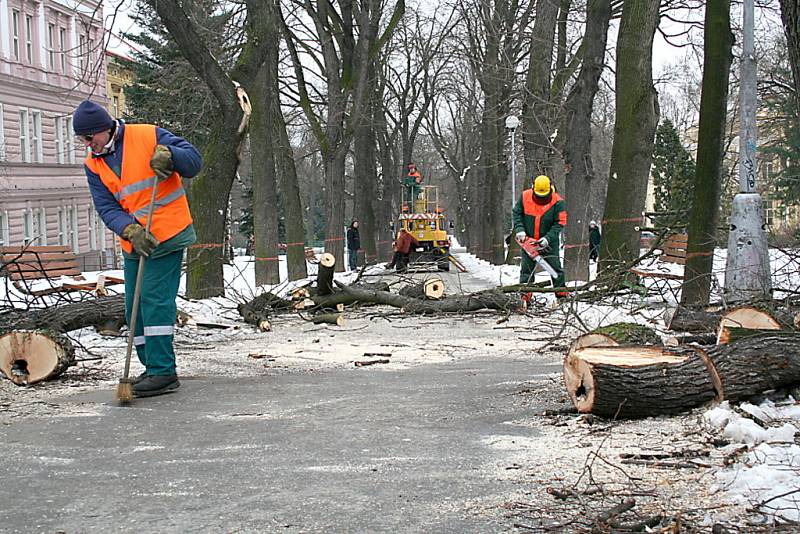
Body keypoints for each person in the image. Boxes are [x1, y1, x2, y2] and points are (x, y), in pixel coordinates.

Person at [73, 100, 202, 398]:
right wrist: (128, 229)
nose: (87, 144)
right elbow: (106, 205)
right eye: (82, 140)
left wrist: (171, 155)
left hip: (168, 233)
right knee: (135, 306)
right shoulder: (94, 164)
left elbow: (194, 162)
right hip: (136, 240)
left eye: (90, 138)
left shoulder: (147, 135)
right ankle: (150, 368)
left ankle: (163, 371)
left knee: (155, 301)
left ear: (104, 130)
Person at [512, 174, 567, 295]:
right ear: (533, 189)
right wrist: (520, 229)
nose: (541, 198)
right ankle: (525, 296)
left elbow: (560, 223)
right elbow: (516, 213)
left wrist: (548, 238)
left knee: (555, 269)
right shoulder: (525, 197)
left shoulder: (558, 202)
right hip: (529, 241)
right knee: (526, 271)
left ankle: (561, 295)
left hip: (549, 243)